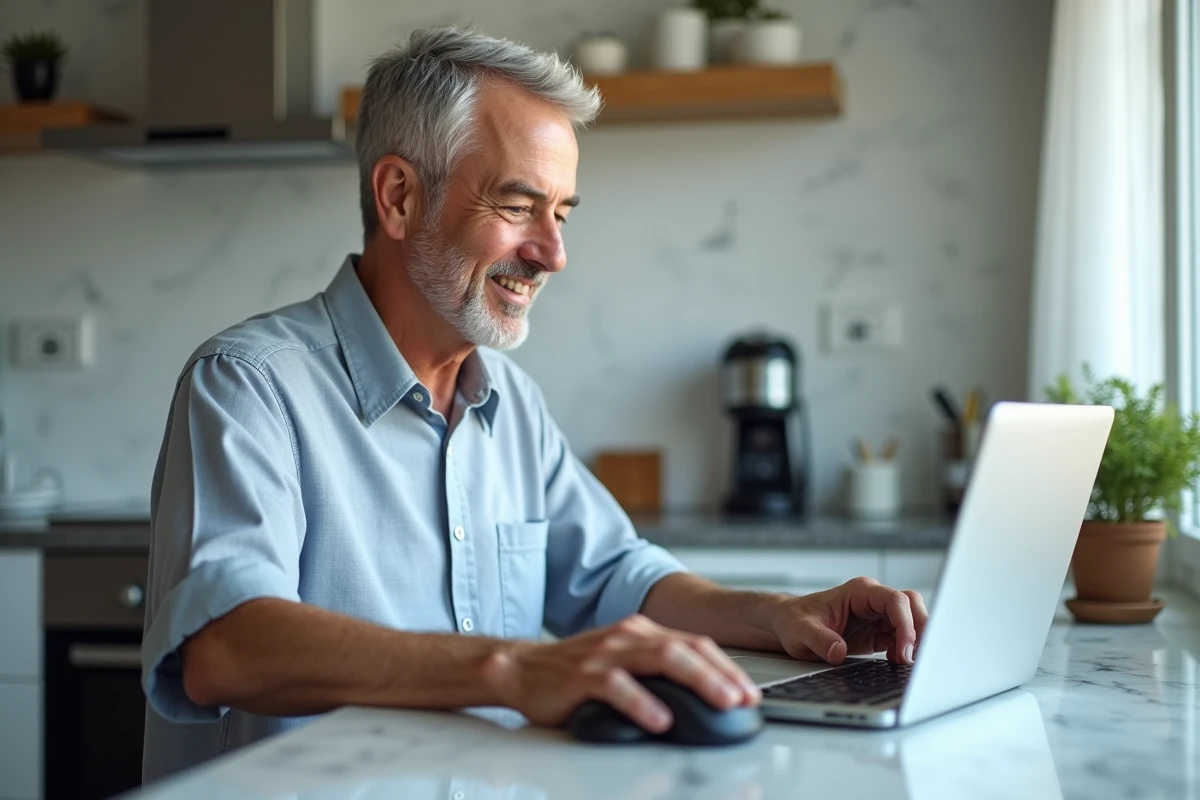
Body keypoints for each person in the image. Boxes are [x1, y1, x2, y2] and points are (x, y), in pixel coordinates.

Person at [140, 26, 927, 782]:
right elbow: (223, 646)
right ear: (400, 196)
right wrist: (515, 667)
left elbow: (618, 577)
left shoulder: (508, 402)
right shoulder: (249, 384)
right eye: (518, 207)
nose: (552, 253)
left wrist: (783, 615)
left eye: (562, 213)